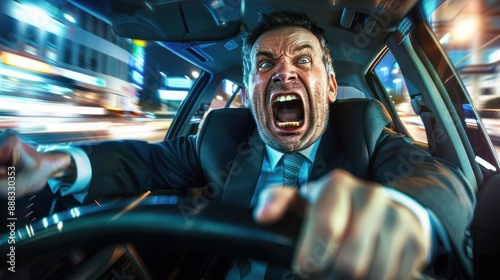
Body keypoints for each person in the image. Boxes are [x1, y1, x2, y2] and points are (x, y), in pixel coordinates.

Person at [0, 10, 474, 280]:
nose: (284, 71)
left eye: (302, 60)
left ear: (329, 85)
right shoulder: (219, 140)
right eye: (266, 63)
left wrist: (407, 217)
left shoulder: (366, 133)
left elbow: (437, 179)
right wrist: (52, 163)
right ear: (248, 93)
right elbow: (142, 160)